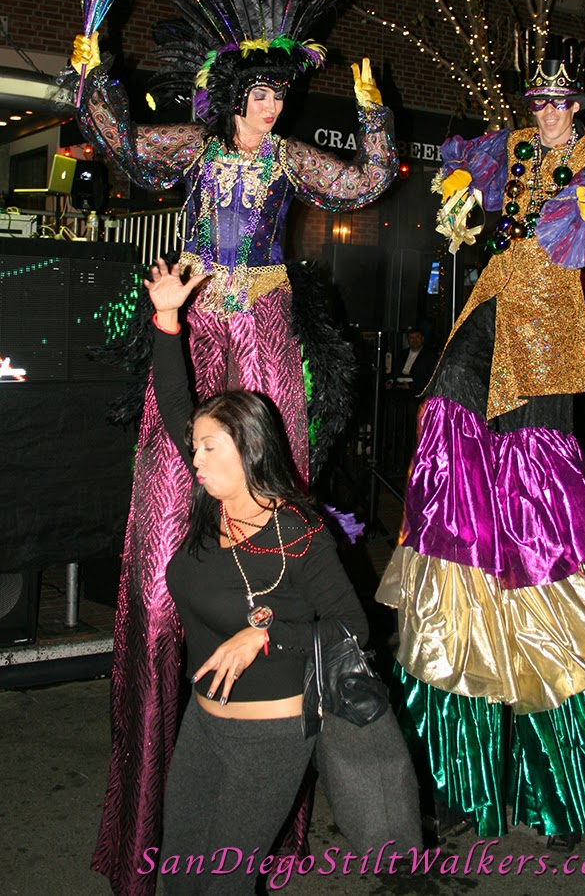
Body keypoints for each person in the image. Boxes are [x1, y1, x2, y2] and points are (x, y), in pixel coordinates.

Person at [68, 0, 398, 895]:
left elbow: (367, 182)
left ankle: (269, 784)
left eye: (280, 98)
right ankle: (153, 811)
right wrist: (92, 77)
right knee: (166, 530)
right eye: (261, 97)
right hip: (197, 322)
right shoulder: (195, 153)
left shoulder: (292, 157)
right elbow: (127, 143)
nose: (274, 110)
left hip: (262, 335)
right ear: (233, 96)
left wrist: (373, 108)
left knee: (269, 505)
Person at [377, 58, 585, 843]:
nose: (553, 114)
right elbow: (464, 184)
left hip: (545, 327)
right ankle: (457, 516)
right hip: (493, 301)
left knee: (533, 464)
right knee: (447, 405)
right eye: (543, 103)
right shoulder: (516, 143)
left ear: (579, 108)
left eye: (563, 104)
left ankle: (554, 790)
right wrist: (461, 190)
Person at [144, 257, 368, 893]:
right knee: (179, 881)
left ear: (249, 450)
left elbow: (353, 628)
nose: (195, 460)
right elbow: (175, 404)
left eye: (210, 448)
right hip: (204, 723)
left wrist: (266, 637)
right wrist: (167, 318)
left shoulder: (298, 530)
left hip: (270, 735)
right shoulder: (207, 508)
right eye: (195, 447)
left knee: (224, 887)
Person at [386, 327, 437, 395]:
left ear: (422, 339)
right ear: (408, 340)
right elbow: (395, 371)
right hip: (397, 387)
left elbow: (430, 378)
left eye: (417, 337)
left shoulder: (430, 356)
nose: (414, 340)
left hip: (415, 389)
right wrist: (390, 381)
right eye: (411, 337)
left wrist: (411, 386)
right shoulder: (402, 354)